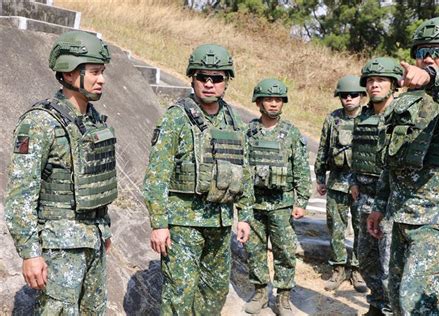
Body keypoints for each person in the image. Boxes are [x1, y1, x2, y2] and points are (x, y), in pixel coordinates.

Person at [4, 30, 116, 314]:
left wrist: (104, 230)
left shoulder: (93, 121)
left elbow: (96, 182)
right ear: (68, 74)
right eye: (93, 72)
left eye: (102, 72)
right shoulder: (39, 123)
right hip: (59, 248)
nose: (101, 79)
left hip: (94, 242)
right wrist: (30, 253)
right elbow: (20, 196)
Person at [368, 16, 439, 315]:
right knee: (399, 300)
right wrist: (380, 204)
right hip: (401, 214)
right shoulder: (406, 102)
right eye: (422, 52)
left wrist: (432, 79)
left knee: (420, 306)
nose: (428, 58)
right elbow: (392, 160)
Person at [143, 43, 254, 315]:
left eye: (216, 78)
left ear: (226, 82)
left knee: (215, 292)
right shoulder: (176, 118)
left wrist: (246, 215)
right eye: (202, 77)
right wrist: (159, 224)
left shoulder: (235, 122)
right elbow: (156, 175)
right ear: (192, 78)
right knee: (179, 293)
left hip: (220, 222)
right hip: (183, 224)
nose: (209, 84)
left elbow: (245, 171)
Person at [243, 79, 311, 315]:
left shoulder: (291, 133)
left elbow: (301, 168)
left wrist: (301, 201)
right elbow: (241, 167)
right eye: (268, 99)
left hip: (282, 205)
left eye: (278, 100)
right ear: (259, 102)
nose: (273, 104)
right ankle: (260, 292)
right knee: (254, 250)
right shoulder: (248, 132)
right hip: (254, 204)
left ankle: (283, 297)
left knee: (284, 251)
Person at [350, 57, 403, 315]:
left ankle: (389, 310)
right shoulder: (364, 116)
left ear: (393, 84)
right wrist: (353, 180)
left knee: (388, 263)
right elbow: (357, 151)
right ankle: (376, 303)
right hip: (364, 199)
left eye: (381, 80)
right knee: (366, 258)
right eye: (370, 80)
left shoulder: (402, 114)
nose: (374, 85)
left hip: (391, 203)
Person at [315, 75, 368, 293]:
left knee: (360, 228)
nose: (348, 99)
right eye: (344, 95)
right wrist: (320, 177)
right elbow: (323, 148)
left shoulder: (369, 118)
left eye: (353, 95)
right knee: (336, 228)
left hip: (362, 186)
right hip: (337, 182)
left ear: (361, 96)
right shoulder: (332, 119)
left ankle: (356, 270)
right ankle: (338, 268)